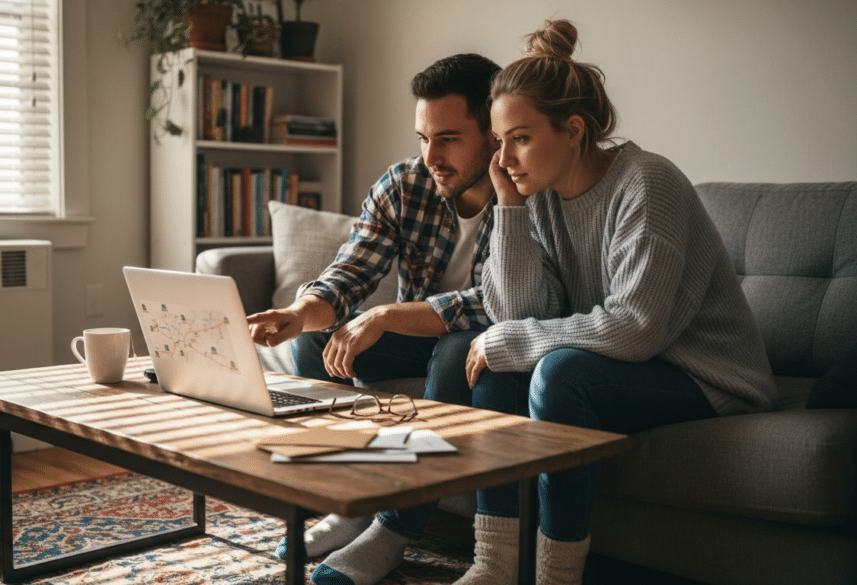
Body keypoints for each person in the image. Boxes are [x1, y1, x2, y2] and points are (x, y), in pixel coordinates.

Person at [309, 19, 778, 585]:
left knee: (555, 371)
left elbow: (636, 327)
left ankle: (557, 577)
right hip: (629, 364)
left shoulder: (646, 184)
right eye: (500, 142)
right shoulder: (540, 196)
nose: (503, 159)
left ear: (573, 129)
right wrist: (508, 208)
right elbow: (521, 311)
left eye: (520, 139)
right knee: (500, 366)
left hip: (705, 376)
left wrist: (509, 338)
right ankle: (496, 565)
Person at [246, 52, 502, 560]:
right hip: (415, 340)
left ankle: (393, 532)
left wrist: (384, 316)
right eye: (424, 138)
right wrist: (301, 312)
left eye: (448, 139)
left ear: (494, 134)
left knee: (455, 350)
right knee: (317, 341)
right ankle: (348, 504)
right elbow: (349, 276)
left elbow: (499, 304)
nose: (432, 157)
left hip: (479, 343)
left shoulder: (524, 195)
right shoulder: (405, 185)